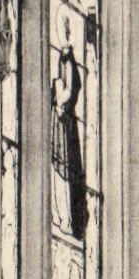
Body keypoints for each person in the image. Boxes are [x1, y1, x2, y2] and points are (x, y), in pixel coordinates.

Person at [51, 39, 86, 239]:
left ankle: (67, 219)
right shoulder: (57, 78)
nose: (63, 66)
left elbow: (71, 90)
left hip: (65, 128)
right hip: (58, 125)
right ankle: (58, 215)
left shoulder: (70, 72)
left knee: (65, 171)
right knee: (56, 169)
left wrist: (61, 101)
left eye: (66, 61)